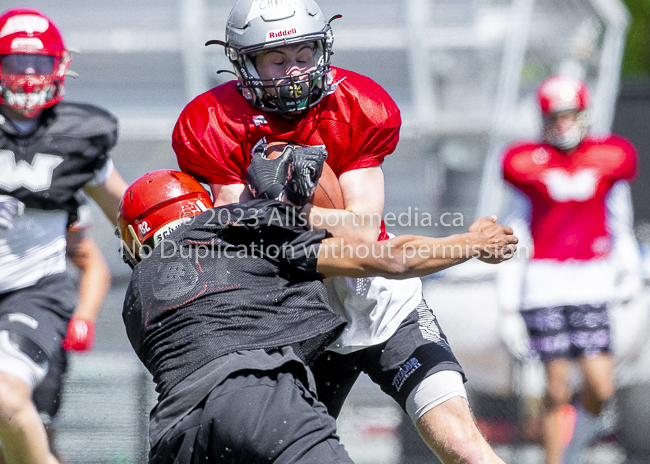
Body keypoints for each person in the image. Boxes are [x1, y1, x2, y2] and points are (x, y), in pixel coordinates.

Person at [172, 1, 507, 462]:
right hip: (290, 317)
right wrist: (274, 209)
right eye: (277, 59)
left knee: (463, 446)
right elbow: (239, 226)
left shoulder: (357, 104)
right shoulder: (212, 120)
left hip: (378, 299)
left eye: (304, 53)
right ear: (244, 62)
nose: (294, 71)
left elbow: (363, 233)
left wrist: (286, 207)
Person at [116, 167, 517, 464]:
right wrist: (472, 243)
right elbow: (391, 257)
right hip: (260, 394)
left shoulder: (134, 297)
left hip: (175, 429)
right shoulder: (235, 227)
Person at [0, 8, 127, 464]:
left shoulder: (78, 136)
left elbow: (133, 217)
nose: (29, 75)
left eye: (39, 63)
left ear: (60, 64)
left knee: (6, 399)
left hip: (31, 292)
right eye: (16, 62)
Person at [497, 75, 638, 464]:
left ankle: (573, 452)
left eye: (569, 114)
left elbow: (619, 222)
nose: (562, 124)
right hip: (543, 282)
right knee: (556, 388)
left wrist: (628, 271)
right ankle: (554, 461)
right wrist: (508, 306)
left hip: (591, 279)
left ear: (584, 114)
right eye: (555, 116)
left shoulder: (611, 156)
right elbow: (516, 229)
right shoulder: (525, 162)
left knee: (601, 385)